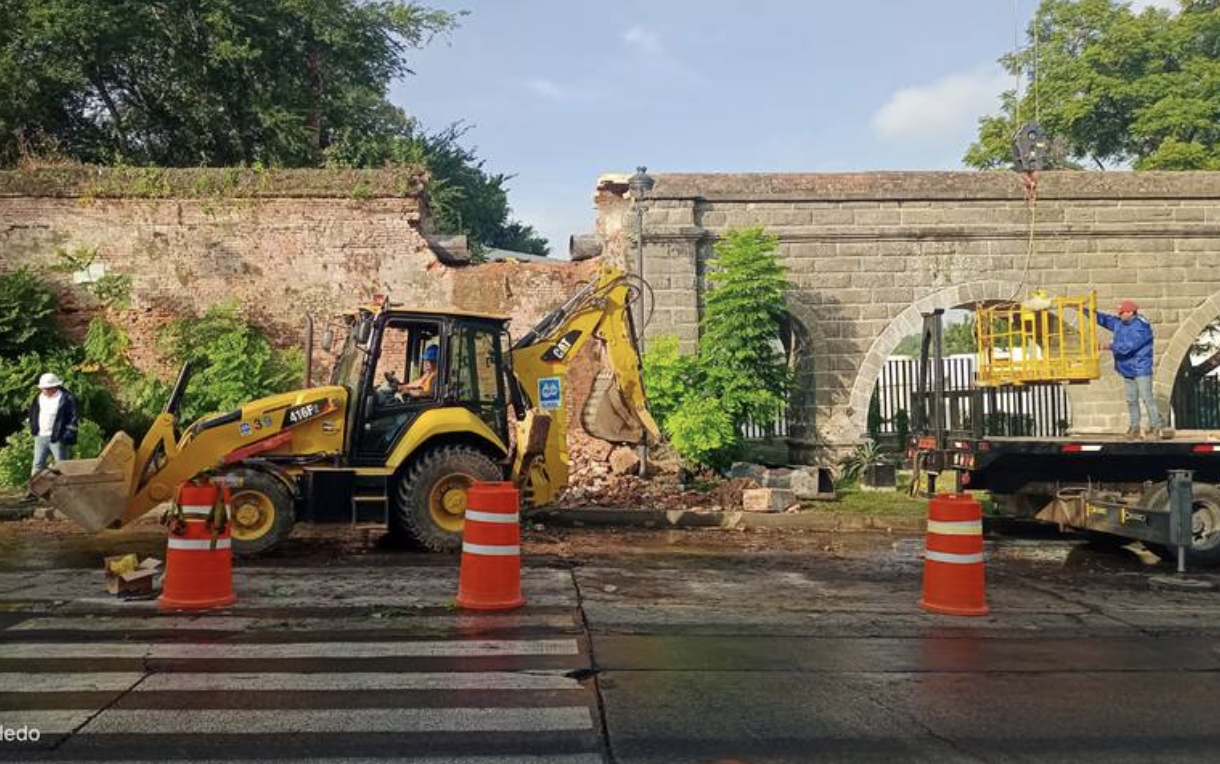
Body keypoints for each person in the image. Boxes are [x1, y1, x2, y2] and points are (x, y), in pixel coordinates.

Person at [1093, 300, 1168, 439]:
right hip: (1126, 368)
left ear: (1130, 312)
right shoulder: (1120, 323)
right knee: (1131, 399)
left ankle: (1155, 427)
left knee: (1146, 398)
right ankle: (1135, 427)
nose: (1119, 315)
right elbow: (1105, 319)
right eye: (1119, 312)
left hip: (1140, 368)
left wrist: (1109, 346)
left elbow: (1129, 346)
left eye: (1121, 312)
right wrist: (1086, 311)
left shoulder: (1142, 327)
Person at [28, 372, 79, 478]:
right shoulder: (38, 397)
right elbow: (33, 414)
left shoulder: (66, 398)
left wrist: (66, 435)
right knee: (37, 465)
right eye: (43, 388)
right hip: (40, 436)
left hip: (58, 437)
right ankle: (33, 491)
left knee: (62, 466)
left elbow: (73, 418)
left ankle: (65, 491)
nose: (44, 390)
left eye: (46, 388)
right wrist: (33, 428)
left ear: (54, 386)